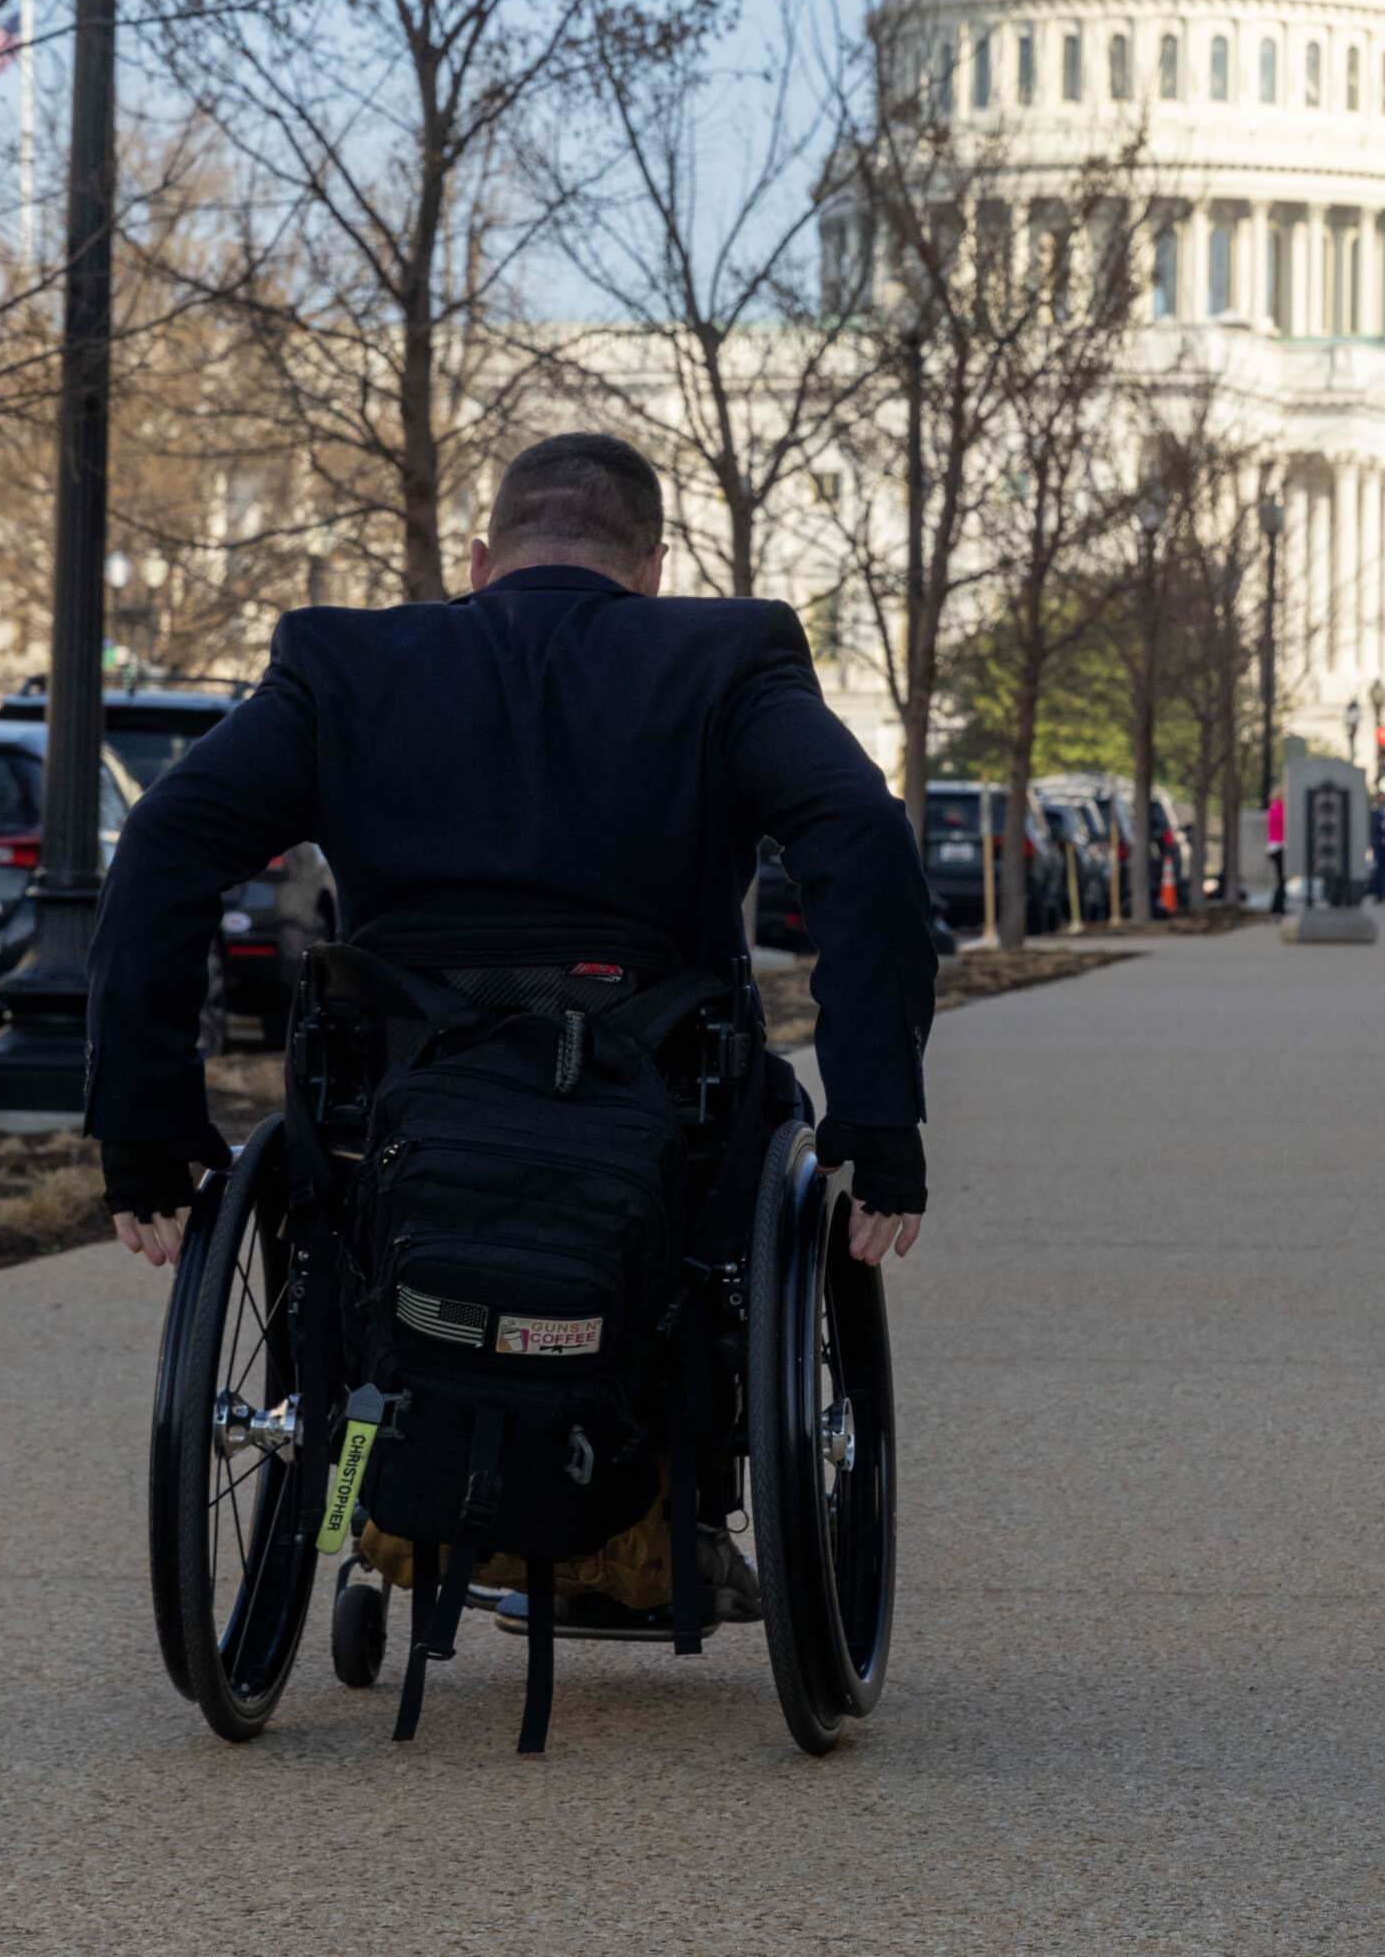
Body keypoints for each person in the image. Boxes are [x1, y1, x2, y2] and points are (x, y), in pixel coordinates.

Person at [84, 430, 939, 1623]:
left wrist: (144, 1127)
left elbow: (166, 844)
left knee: (352, 1176)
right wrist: (878, 1117)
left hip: (392, 1101)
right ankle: (667, 1504)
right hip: (656, 1095)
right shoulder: (726, 654)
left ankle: (378, 1484)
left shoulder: (343, 658)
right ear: (651, 567)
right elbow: (859, 833)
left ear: (482, 557)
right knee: (760, 1131)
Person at [1265, 790, 1287, 915]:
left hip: (1274, 847)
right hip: (1279, 847)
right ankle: (1277, 907)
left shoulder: (1273, 808)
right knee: (1282, 880)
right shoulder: (1279, 808)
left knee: (1281, 879)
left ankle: (1278, 907)